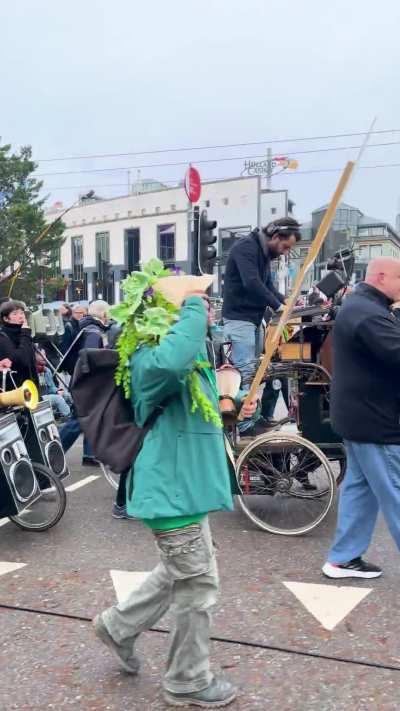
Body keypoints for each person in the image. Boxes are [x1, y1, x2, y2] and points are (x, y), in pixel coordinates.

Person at [93, 266, 257, 707]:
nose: (203, 306)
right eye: (189, 300)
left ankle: (118, 626)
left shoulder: (177, 352)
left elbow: (197, 408)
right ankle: (187, 680)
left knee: (180, 573)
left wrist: (235, 401)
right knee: (198, 586)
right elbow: (173, 360)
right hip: (171, 493)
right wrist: (191, 308)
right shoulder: (148, 356)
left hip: (184, 491)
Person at [322, 257, 400, 579]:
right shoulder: (369, 314)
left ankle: (343, 558)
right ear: (381, 276)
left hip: (358, 417)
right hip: (376, 420)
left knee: (360, 488)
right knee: (396, 490)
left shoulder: (361, 307)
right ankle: (344, 557)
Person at [222, 217, 301, 435]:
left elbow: (266, 284)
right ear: (275, 237)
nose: (285, 252)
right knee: (246, 373)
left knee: (255, 373)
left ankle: (253, 419)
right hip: (239, 320)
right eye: (285, 247)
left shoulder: (263, 252)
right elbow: (252, 283)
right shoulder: (245, 248)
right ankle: (245, 427)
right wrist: (278, 306)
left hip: (252, 320)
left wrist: (286, 303)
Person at [59, 300, 110, 466]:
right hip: (87, 382)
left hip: (81, 379)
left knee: (87, 417)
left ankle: (89, 453)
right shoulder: (94, 332)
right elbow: (90, 357)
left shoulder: (86, 327)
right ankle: (55, 452)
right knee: (79, 419)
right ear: (103, 314)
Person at [0, 300, 39, 390]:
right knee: (57, 400)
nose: (21, 316)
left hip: (31, 388)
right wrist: (25, 334)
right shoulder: (3, 337)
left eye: (22, 313)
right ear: (6, 319)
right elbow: (22, 359)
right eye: (15, 314)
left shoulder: (22, 333)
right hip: (16, 391)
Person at [35, 351, 71, 420]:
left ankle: (77, 413)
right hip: (39, 398)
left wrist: (58, 391)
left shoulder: (47, 370)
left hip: (48, 395)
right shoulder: (31, 372)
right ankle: (69, 418)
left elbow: (51, 387)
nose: (43, 367)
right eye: (40, 354)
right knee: (58, 399)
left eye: (44, 354)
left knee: (67, 395)